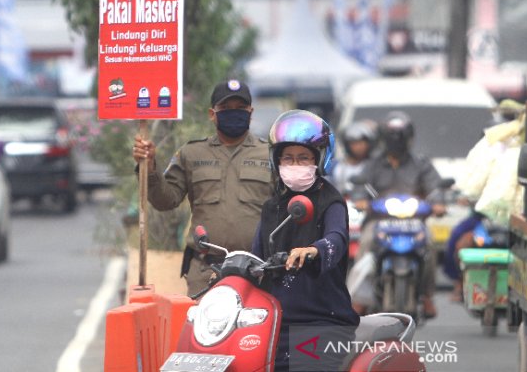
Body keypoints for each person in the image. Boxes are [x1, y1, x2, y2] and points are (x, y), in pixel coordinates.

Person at [132, 79, 273, 295]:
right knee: (204, 327)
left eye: (240, 108)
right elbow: (165, 200)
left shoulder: (270, 154)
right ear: (212, 113)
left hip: (258, 270)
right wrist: (150, 167)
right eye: (225, 109)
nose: (233, 113)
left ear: (251, 112)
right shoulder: (192, 153)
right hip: (206, 271)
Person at [252, 109, 359, 371]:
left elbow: (337, 238)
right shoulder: (272, 206)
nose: (294, 165)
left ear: (319, 159)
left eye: (303, 158)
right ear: (276, 161)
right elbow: (255, 254)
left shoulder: (330, 201)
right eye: (288, 158)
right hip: (276, 319)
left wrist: (313, 250)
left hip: (320, 320)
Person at [350, 110, 446, 318]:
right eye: (392, 137)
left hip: (414, 222)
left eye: (400, 137)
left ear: (409, 138)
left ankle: (428, 296)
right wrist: (360, 199)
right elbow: (360, 184)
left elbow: (434, 188)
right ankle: (360, 298)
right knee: (365, 247)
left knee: (429, 247)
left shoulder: (421, 163)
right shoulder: (373, 164)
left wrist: (437, 203)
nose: (396, 142)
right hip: (378, 221)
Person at [443, 99, 525, 301]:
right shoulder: (481, 161)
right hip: (481, 219)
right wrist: (464, 197)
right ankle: (459, 282)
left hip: (513, 220)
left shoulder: (515, 157)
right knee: (457, 238)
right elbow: (469, 186)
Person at [329, 119, 378, 196]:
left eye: (362, 142)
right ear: (347, 145)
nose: (359, 147)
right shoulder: (335, 167)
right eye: (354, 143)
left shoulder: (376, 166)